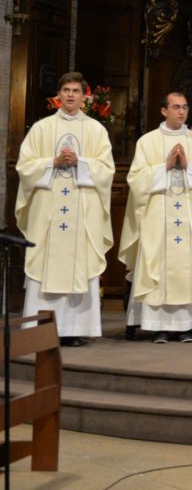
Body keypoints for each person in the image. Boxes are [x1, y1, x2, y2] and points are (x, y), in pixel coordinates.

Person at [15, 72, 115, 346]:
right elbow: (24, 167)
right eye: (66, 90)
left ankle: (73, 329)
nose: (70, 95)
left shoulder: (96, 130)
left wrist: (80, 162)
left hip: (82, 214)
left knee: (79, 266)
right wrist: (53, 163)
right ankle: (43, 330)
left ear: (85, 97)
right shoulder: (41, 128)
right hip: (49, 212)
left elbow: (107, 170)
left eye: (75, 91)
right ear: (58, 95)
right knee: (47, 263)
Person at [120, 91, 192, 344]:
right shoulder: (148, 141)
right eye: (176, 107)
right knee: (158, 266)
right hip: (157, 218)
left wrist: (188, 167)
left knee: (184, 268)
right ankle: (158, 326)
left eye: (185, 107)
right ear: (164, 111)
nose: (182, 112)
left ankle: (185, 326)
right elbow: (136, 179)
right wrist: (163, 166)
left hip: (188, 217)